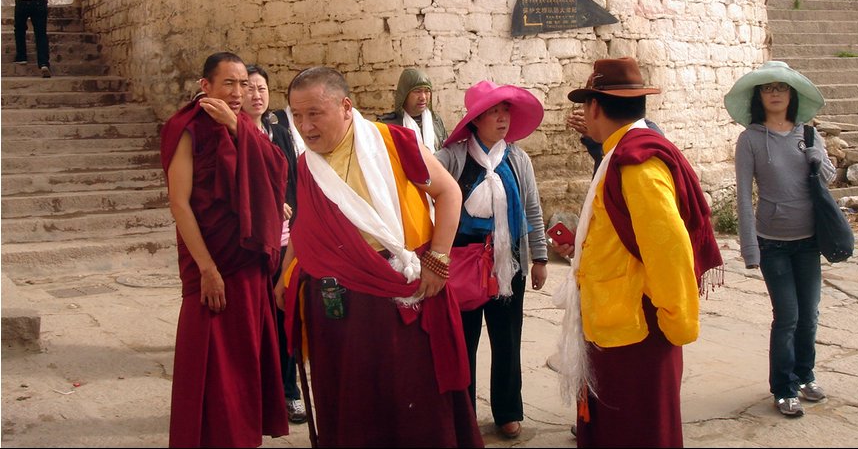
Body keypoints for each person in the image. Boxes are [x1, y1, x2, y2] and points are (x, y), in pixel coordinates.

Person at [279, 66, 484, 447]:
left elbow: (449, 193)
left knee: (411, 396)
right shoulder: (308, 163)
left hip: (398, 292)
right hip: (337, 305)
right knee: (350, 401)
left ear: (345, 106)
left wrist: (439, 259)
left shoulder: (392, 143)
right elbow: (306, 224)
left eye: (314, 113)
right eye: (296, 116)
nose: (305, 126)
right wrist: (286, 274)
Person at [552, 58, 723, 448]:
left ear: (595, 106)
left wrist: (676, 324)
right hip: (615, 325)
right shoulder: (618, 152)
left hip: (639, 335)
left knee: (638, 434)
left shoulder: (637, 164)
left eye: (585, 105)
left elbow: (670, 251)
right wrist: (581, 247)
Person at [160, 52, 289, 447]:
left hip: (248, 262)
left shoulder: (244, 128)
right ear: (206, 86)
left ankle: (244, 436)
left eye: (244, 84)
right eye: (229, 84)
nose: (239, 92)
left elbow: (277, 172)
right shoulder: (187, 128)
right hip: (213, 264)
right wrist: (207, 269)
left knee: (246, 358)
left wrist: (235, 125)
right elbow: (180, 203)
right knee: (211, 360)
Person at [723, 60, 837, 418]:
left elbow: (829, 178)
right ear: (759, 95)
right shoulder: (751, 139)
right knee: (787, 315)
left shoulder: (809, 134)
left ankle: (805, 376)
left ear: (792, 94)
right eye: (768, 88)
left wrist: (820, 158)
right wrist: (749, 247)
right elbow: (743, 194)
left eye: (781, 87)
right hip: (772, 241)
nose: (775, 93)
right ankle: (783, 388)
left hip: (809, 240)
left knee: (810, 316)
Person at [435, 81, 548, 440]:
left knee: (507, 338)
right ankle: (462, 413)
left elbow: (532, 208)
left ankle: (508, 411)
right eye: (494, 112)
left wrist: (541, 256)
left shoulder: (517, 158)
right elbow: (429, 196)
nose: (502, 119)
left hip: (508, 262)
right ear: (476, 119)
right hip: (464, 260)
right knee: (463, 341)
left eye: (506, 112)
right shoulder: (452, 156)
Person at [242, 65, 306, 425]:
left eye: (262, 88)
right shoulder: (233, 135)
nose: (256, 95)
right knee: (255, 321)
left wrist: (295, 218)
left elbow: (292, 180)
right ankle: (255, 394)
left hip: (284, 243)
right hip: (252, 245)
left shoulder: (279, 132)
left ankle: (289, 392)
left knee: (285, 319)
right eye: (249, 88)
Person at [378, 67, 448, 152]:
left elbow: (446, 154)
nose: (423, 97)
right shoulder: (389, 126)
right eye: (417, 91)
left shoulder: (436, 122)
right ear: (404, 94)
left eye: (427, 91)